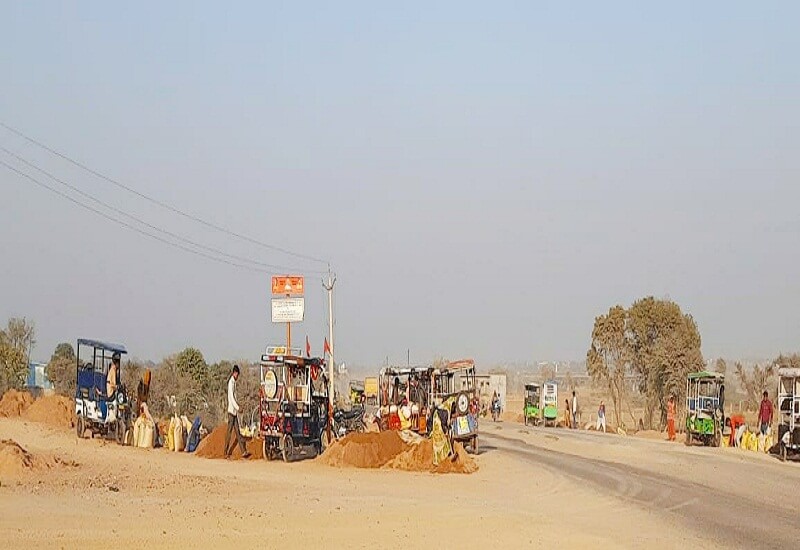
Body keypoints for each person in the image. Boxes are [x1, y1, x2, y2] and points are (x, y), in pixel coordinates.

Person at [225, 365, 251, 459]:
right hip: (231, 411)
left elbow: (234, 398)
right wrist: (237, 407)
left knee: (238, 432)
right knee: (229, 432)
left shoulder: (234, 383)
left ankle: (243, 451)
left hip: (234, 412)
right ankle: (225, 452)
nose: (237, 376)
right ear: (235, 373)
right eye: (237, 374)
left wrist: (238, 407)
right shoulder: (231, 383)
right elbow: (231, 398)